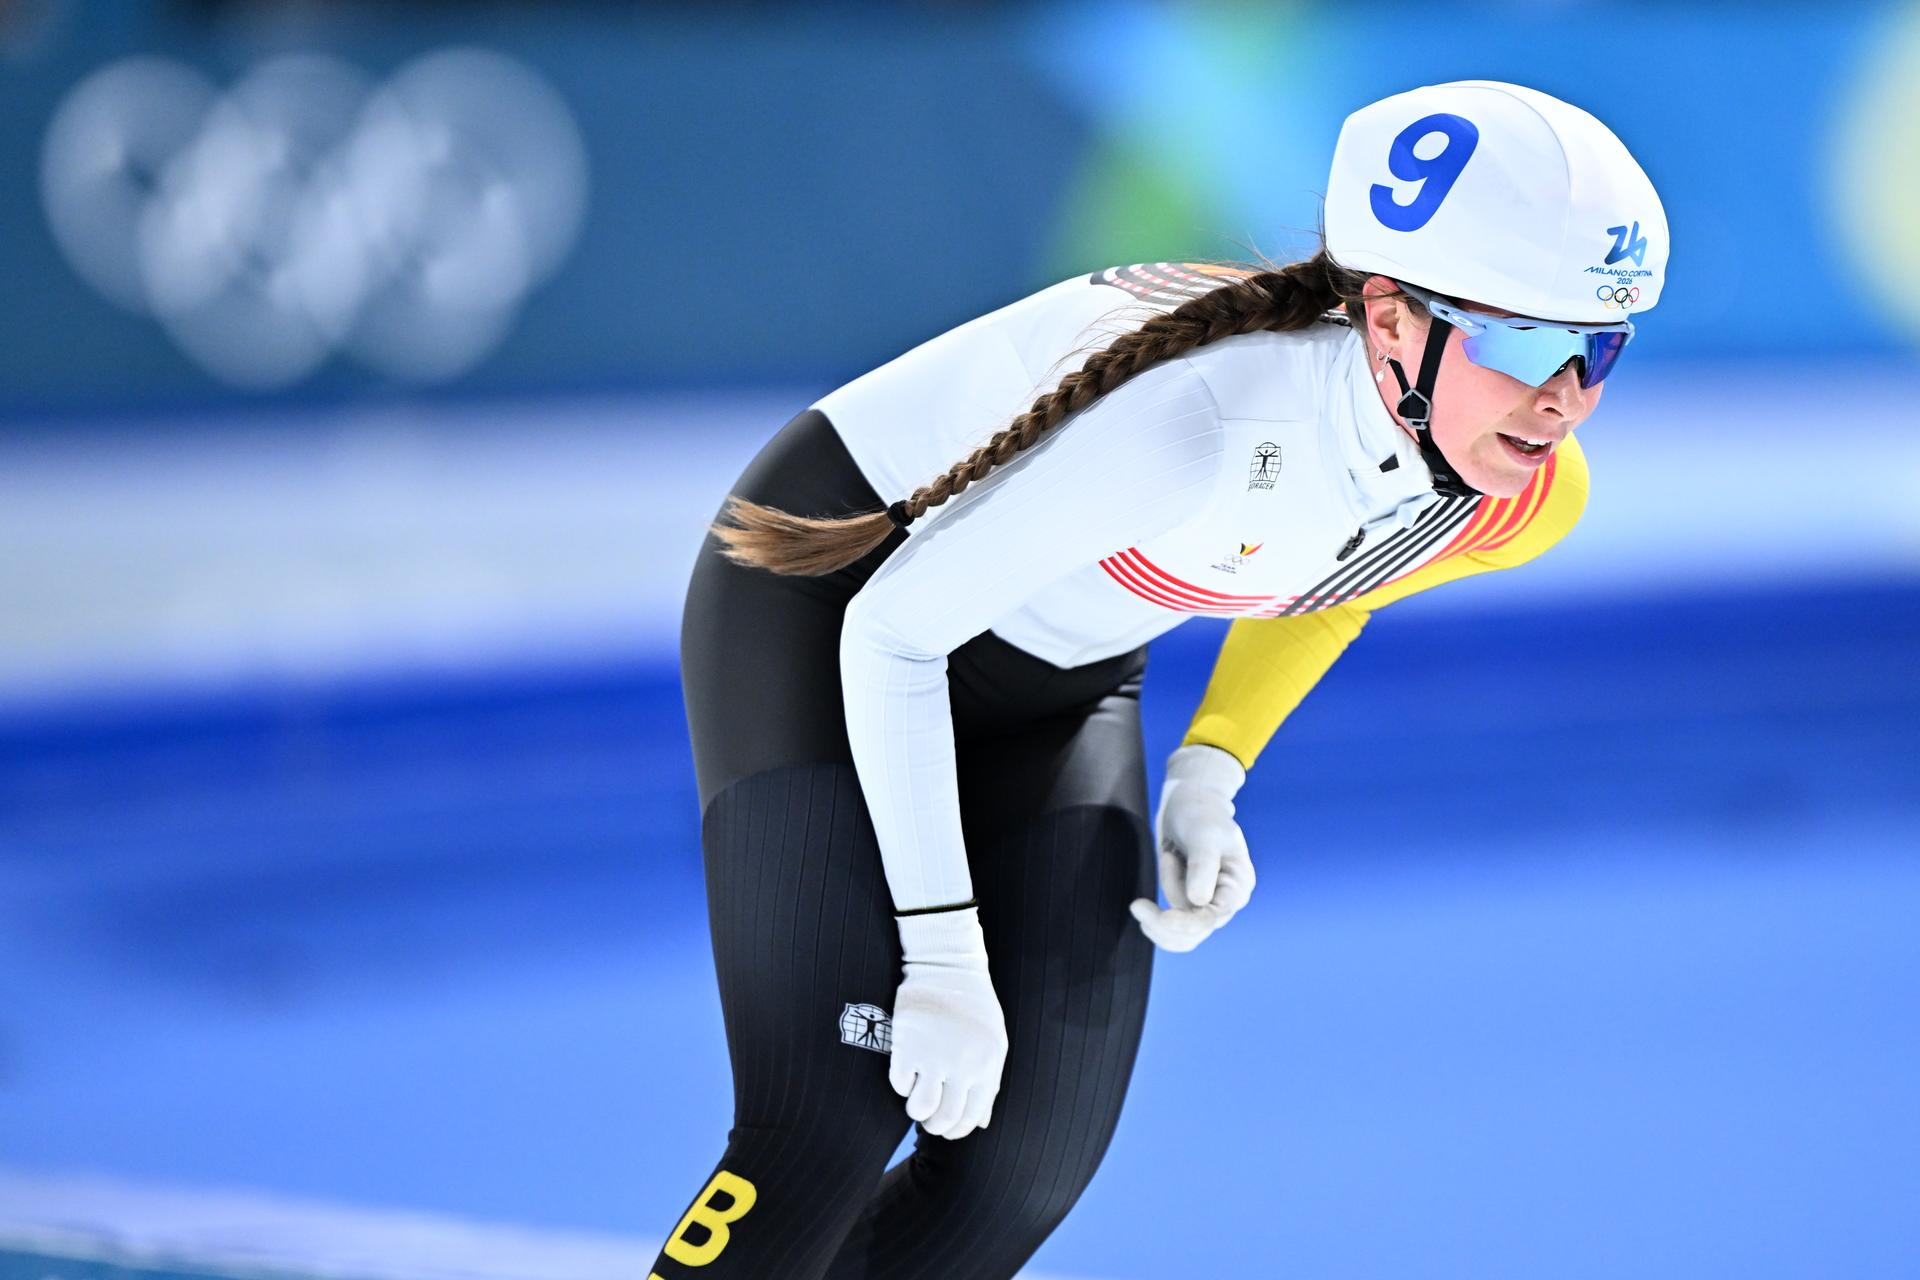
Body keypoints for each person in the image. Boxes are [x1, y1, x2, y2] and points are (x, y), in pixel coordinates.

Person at [649, 79, 1668, 1279]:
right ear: (1389, 317)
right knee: (826, 1123)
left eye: (1598, 349)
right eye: (1526, 340)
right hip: (826, 613)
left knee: (1018, 1175)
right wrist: (940, 951)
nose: (1564, 397)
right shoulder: (1198, 426)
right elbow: (894, 638)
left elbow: (1355, 565)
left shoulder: (1524, 486)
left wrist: (1213, 761)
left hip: (1062, 680)